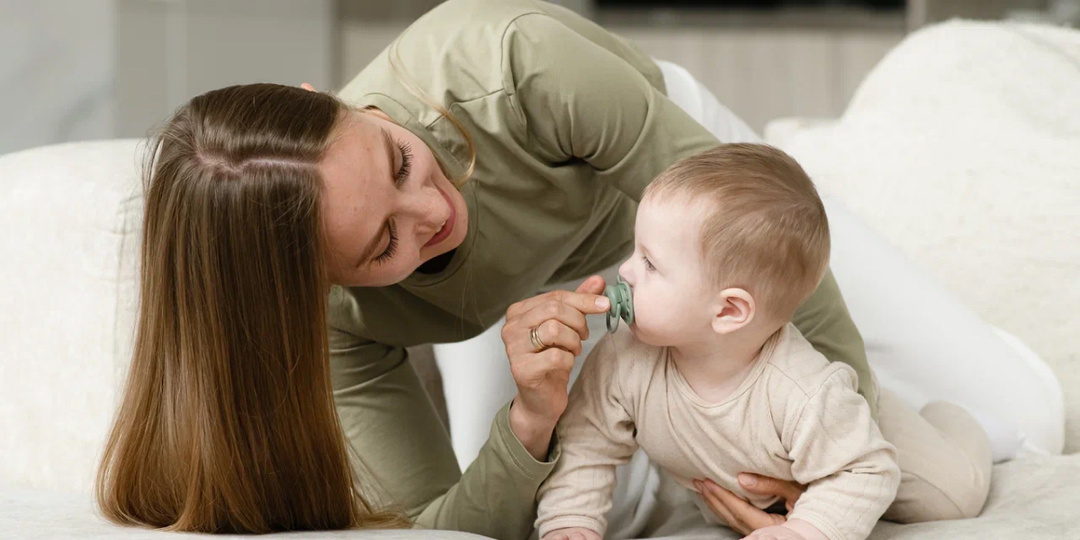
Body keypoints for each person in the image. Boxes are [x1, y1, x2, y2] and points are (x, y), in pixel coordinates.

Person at [96, 0, 1045, 537]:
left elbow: (741, 253)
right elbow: (443, 529)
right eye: (381, 244)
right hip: (517, 303)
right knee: (580, 490)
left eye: (398, 160)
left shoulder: (515, 61)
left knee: (1024, 416)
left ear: (319, 97)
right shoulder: (336, 325)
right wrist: (529, 422)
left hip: (672, 206)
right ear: (323, 285)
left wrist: (819, 466)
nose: (433, 213)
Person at [538, 143, 907, 540]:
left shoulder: (805, 393)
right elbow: (586, 440)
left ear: (729, 310)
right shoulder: (623, 357)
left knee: (943, 497)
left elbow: (865, 470)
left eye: (650, 263)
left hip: (857, 431)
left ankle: (940, 421)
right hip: (772, 478)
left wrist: (804, 531)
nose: (625, 271)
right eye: (635, 250)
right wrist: (570, 522)